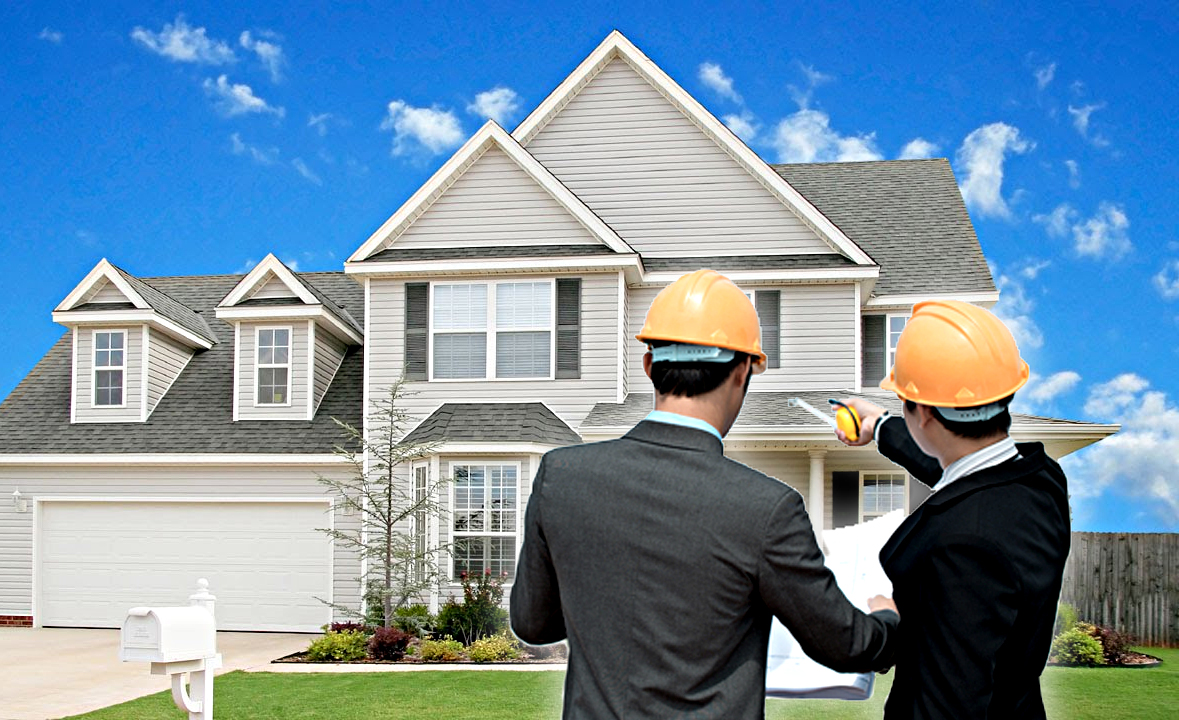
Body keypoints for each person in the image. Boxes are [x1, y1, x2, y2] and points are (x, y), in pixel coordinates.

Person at [511, 269, 899, 719]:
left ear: (649, 365)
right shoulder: (766, 509)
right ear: (742, 370)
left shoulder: (560, 474)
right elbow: (847, 644)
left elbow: (533, 624)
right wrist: (887, 618)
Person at [837, 299, 1071, 719]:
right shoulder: (1041, 481)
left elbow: (947, 702)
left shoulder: (963, 543)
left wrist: (890, 619)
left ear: (923, 413)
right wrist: (881, 427)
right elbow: (961, 468)